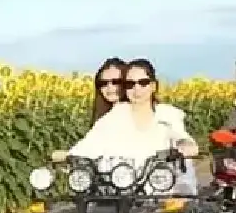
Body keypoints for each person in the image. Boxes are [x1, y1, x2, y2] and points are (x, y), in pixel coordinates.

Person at [70, 57, 200, 190]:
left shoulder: (167, 114)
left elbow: (180, 136)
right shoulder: (114, 115)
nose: (137, 89)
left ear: (153, 86)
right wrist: (72, 155)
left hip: (160, 190)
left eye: (143, 83)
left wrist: (185, 145)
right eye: (130, 84)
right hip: (121, 191)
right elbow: (89, 144)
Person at [89, 57, 128, 126]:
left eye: (116, 82)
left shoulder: (136, 116)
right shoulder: (103, 117)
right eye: (103, 83)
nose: (109, 87)